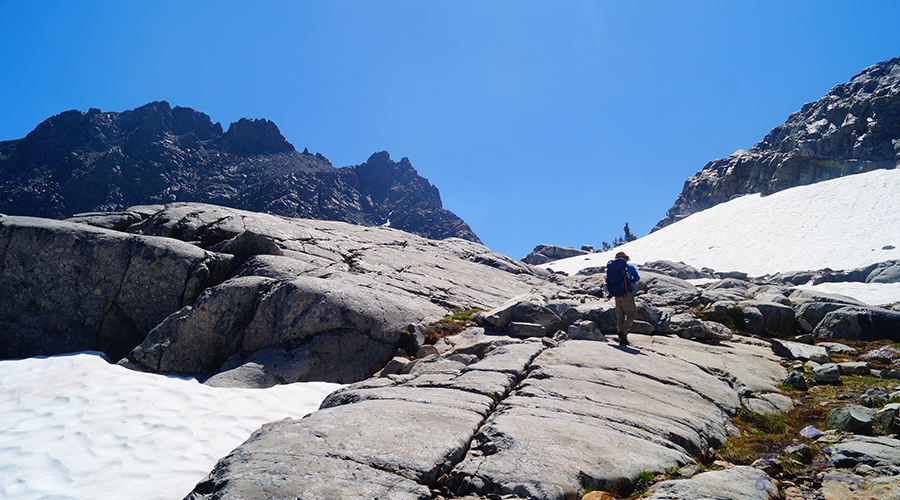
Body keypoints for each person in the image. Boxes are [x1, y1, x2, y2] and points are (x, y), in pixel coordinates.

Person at [609, 251, 640, 346]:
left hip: (616, 295)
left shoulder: (612, 269)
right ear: (625, 259)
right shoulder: (629, 267)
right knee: (631, 314)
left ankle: (622, 339)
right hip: (627, 294)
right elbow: (637, 278)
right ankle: (624, 332)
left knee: (620, 317)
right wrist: (629, 281)